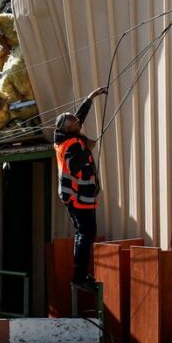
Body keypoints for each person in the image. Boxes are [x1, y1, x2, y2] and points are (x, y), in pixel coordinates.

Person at [54, 86, 108, 291]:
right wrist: (87, 149)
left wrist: (91, 97)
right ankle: (79, 277)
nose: (78, 121)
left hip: (77, 197)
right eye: (74, 122)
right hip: (78, 197)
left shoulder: (65, 135)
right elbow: (74, 165)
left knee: (83, 233)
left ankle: (80, 275)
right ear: (69, 128)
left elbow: (79, 116)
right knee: (86, 234)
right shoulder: (72, 145)